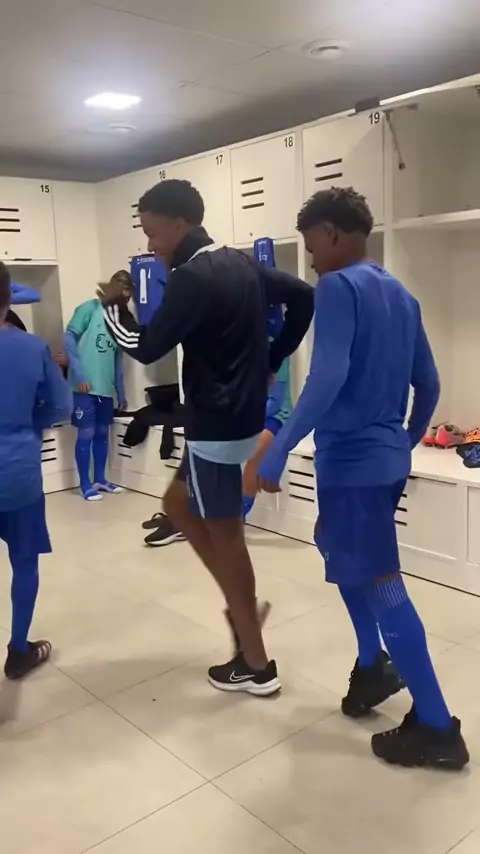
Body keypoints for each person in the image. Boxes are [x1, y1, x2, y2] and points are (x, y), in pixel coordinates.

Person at [257, 187, 469, 769]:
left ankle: (436, 728)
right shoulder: (401, 295)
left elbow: (326, 377)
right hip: (377, 462)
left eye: (311, 246)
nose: (311, 260)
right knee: (334, 543)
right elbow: (428, 384)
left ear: (332, 233)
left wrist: (279, 448)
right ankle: (372, 664)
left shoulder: (337, 286)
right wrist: (403, 440)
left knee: (383, 583)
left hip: (354, 466)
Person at [98, 178, 313, 696]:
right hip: (232, 417)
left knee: (227, 537)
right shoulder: (239, 262)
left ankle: (256, 662)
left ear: (179, 225)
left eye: (153, 233)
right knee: (176, 504)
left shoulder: (192, 277)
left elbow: (145, 347)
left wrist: (113, 307)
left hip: (215, 427)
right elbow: (304, 296)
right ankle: (244, 613)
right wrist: (273, 356)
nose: (150, 245)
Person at [0, 262, 72, 678]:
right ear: (7, 298)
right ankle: (18, 650)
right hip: (18, 473)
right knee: (24, 561)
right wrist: (30, 425)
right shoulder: (31, 348)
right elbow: (60, 406)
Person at [64, 271, 132, 501]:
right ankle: (85, 484)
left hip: (105, 388)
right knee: (86, 433)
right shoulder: (89, 309)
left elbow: (118, 359)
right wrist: (79, 373)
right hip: (83, 387)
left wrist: (121, 391)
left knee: (103, 433)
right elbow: (68, 339)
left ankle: (101, 479)